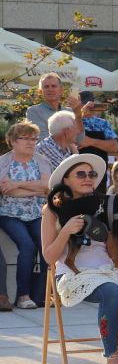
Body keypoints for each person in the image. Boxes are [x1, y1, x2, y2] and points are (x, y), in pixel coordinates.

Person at [40, 153, 118, 364]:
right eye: (81, 174)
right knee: (111, 291)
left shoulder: (105, 205)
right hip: (72, 273)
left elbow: (113, 250)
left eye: (92, 174)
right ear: (66, 179)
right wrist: (67, 230)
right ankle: (112, 359)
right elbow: (49, 257)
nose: (88, 178)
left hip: (106, 268)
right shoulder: (52, 210)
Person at [0, 121, 48, 311]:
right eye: (25, 138)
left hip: (36, 213)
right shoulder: (4, 162)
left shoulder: (42, 160)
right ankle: (23, 295)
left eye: (34, 138)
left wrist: (17, 185)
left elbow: (46, 188)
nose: (31, 142)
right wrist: (34, 189)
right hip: (9, 214)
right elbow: (6, 191)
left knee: (46, 246)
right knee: (27, 245)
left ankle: (43, 294)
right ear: (12, 141)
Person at [35, 110, 81, 180]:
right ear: (66, 132)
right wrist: (75, 153)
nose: (78, 131)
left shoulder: (66, 148)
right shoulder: (45, 147)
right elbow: (69, 173)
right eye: (75, 128)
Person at [76, 92, 118, 160]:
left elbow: (114, 147)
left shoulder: (103, 123)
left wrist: (91, 142)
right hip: (76, 164)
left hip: (99, 166)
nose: (89, 106)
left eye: (91, 104)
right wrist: (81, 113)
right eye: (84, 104)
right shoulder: (70, 119)